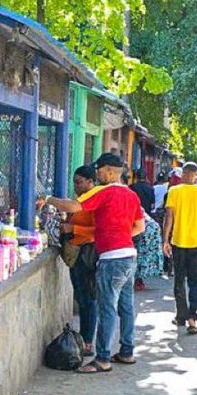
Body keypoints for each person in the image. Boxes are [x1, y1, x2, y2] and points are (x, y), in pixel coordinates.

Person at [45, 152, 145, 373]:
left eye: (99, 170)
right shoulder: (131, 195)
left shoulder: (105, 191)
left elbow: (72, 207)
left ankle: (102, 358)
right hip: (129, 255)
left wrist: (49, 199)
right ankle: (127, 352)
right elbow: (140, 227)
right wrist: (118, 232)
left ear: (110, 171)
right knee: (126, 306)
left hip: (111, 257)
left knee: (107, 307)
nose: (97, 174)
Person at [162, 161, 197, 335]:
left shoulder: (174, 191)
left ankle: (181, 315)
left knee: (179, 281)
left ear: (182, 174)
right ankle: (193, 318)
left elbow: (169, 217)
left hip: (179, 243)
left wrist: (165, 240)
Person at [60, 164, 98, 356]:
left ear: (91, 182)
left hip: (88, 251)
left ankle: (88, 341)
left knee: (88, 299)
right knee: (82, 297)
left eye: (79, 182)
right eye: (74, 182)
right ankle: (86, 339)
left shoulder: (93, 201)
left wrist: (74, 229)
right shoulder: (80, 200)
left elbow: (98, 230)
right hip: (78, 249)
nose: (76, 186)